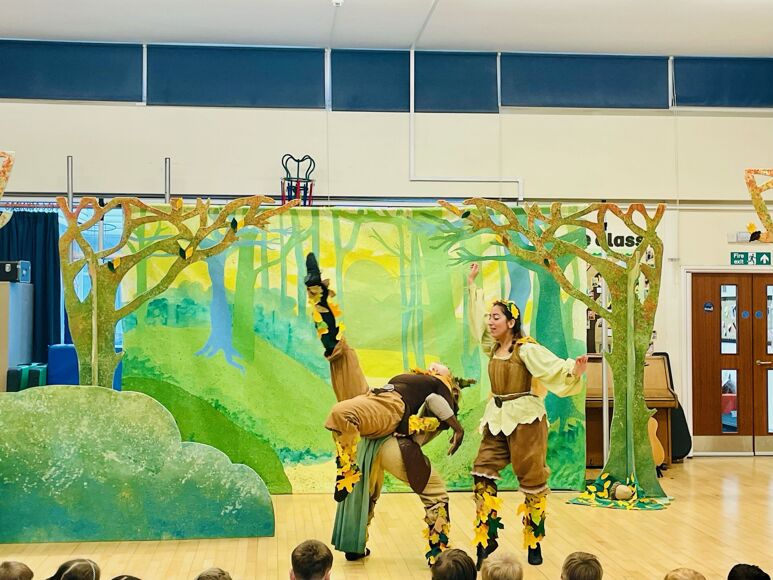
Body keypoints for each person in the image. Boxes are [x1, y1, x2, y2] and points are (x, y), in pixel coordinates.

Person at [304, 253, 470, 565]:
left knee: (342, 413)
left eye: (442, 369)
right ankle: (318, 293)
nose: (436, 366)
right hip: (375, 404)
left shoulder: (440, 388)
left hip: (388, 412)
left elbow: (437, 409)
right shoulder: (420, 381)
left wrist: (456, 426)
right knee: (342, 352)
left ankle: (437, 551)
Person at [467, 263, 588, 568]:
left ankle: (534, 540)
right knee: (482, 473)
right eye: (490, 317)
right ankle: (487, 537)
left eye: (496, 317)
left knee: (533, 480)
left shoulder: (526, 349)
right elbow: (476, 325)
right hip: (497, 419)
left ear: (511, 322)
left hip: (526, 421)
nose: (490, 322)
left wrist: (573, 370)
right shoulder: (492, 347)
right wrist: (472, 285)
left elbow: (552, 367)